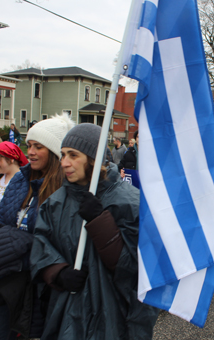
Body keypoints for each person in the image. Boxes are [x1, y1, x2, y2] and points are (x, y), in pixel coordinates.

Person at [30, 123, 159, 339]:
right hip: (66, 314)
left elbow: (136, 268)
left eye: (73, 155)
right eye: (62, 155)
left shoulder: (130, 202)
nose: (64, 163)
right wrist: (58, 273)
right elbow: (41, 245)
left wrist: (100, 222)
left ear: (94, 159)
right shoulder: (55, 203)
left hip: (113, 317)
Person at [0, 113, 75, 339]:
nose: (30, 152)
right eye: (28, 145)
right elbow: (0, 220)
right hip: (10, 277)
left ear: (55, 151)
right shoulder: (21, 179)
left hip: (43, 280)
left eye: (38, 146)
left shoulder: (66, 189)